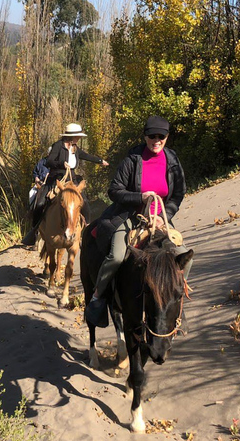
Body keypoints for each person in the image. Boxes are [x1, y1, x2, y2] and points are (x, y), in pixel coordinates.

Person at [85, 115, 193, 327]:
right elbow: (114, 190)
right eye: (152, 136)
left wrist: (165, 217)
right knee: (116, 257)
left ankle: (174, 301)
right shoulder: (132, 159)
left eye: (161, 136)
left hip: (161, 219)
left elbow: (178, 193)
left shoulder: (172, 161)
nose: (156, 140)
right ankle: (98, 298)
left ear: (167, 137)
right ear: (145, 137)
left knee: (184, 256)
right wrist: (139, 197)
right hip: (130, 217)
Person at [22, 123, 109, 246]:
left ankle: (87, 231)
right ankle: (34, 231)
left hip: (72, 180)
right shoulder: (58, 146)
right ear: (71, 136)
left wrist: (100, 161)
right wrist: (62, 163)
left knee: (84, 203)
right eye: (78, 136)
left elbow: (86, 156)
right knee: (40, 203)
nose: (79, 138)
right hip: (55, 180)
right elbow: (50, 161)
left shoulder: (75, 148)